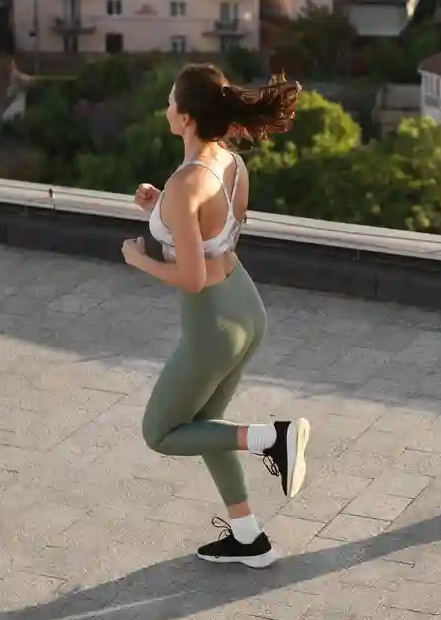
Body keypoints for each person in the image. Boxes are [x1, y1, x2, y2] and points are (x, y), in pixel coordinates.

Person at [123, 64, 312, 568]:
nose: (165, 108)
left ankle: (272, 438)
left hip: (213, 326)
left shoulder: (187, 181)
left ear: (185, 118)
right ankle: (248, 536)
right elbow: (216, 237)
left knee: (161, 433)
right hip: (246, 307)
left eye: (169, 102)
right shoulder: (230, 164)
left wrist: (139, 257)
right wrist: (159, 210)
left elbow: (191, 277)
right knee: (207, 425)